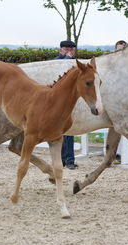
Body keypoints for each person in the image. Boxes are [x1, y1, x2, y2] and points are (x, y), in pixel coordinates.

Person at [54, 40, 78, 169]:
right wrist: (65, 59)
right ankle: (62, 160)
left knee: (69, 132)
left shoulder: (75, 64)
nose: (69, 52)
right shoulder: (55, 62)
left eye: (71, 50)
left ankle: (69, 160)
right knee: (59, 133)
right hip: (56, 102)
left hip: (70, 100)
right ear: (61, 50)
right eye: (66, 49)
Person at [113, 40, 128, 164]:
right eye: (118, 49)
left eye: (122, 49)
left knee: (124, 128)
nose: (120, 51)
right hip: (113, 100)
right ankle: (112, 153)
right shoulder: (112, 64)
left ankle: (120, 153)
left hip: (124, 100)